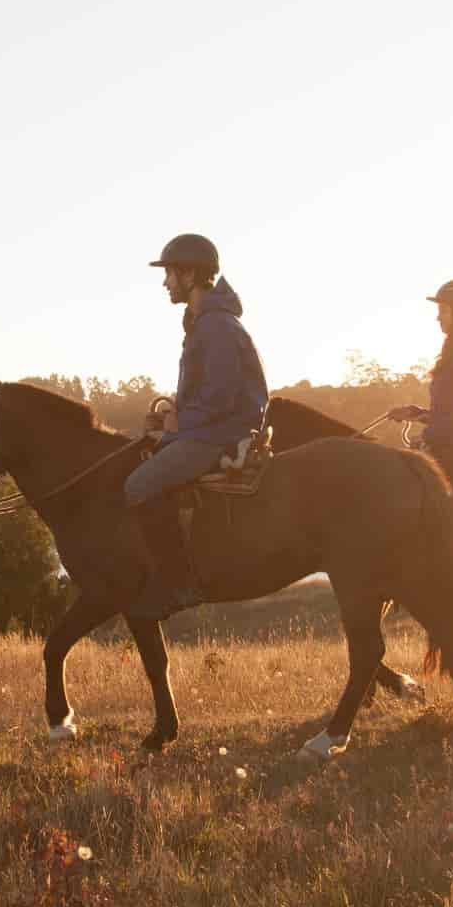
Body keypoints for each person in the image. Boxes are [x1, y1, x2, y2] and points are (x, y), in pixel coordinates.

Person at [124, 234, 269, 620]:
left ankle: (179, 584)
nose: (165, 283)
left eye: (169, 273)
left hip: (219, 433)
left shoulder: (216, 326)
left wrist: (179, 422)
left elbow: (220, 397)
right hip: (207, 427)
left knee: (137, 486)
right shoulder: (205, 323)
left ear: (189, 275)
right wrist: (169, 420)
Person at [387, 279, 453, 490]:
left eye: (443, 310)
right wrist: (414, 413)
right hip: (440, 445)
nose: (438, 317)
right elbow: (444, 415)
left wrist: (425, 435)